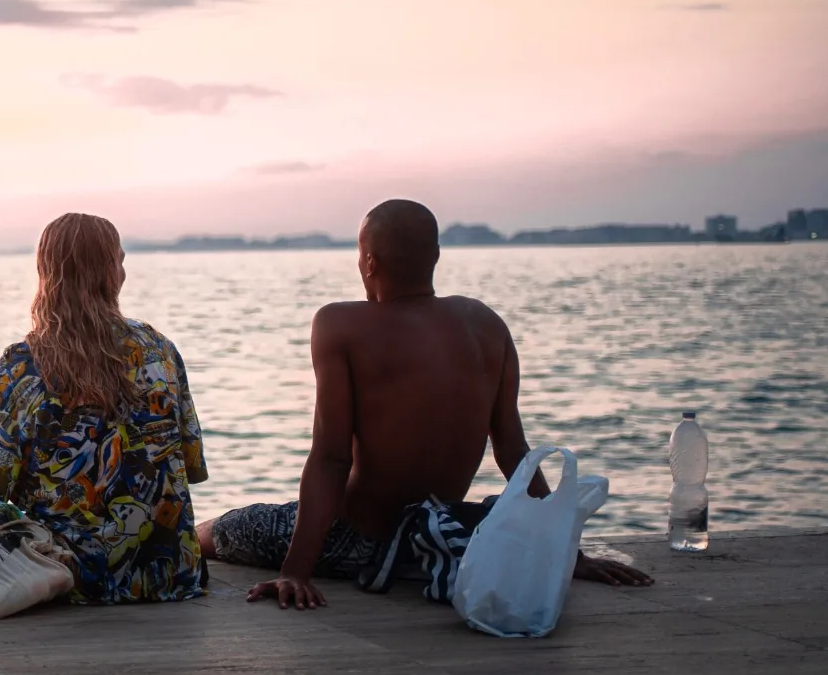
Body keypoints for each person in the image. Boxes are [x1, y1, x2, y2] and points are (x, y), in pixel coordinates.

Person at [203, 198, 653, 610]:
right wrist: (564, 552)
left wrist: (295, 571)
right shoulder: (487, 323)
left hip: (360, 541)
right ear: (435, 257)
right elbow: (514, 451)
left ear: (369, 262)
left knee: (218, 530)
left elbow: (332, 458)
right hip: (438, 532)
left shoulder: (339, 324)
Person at [0, 212, 210, 604]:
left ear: (45, 272)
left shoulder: (24, 364)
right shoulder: (159, 350)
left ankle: (38, 583)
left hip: (69, 570)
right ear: (111, 273)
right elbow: (190, 462)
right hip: (166, 573)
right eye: (119, 261)